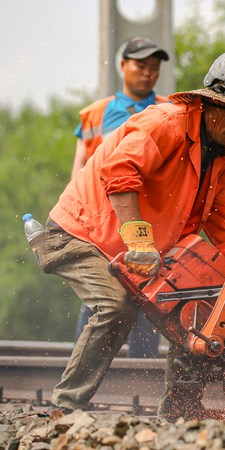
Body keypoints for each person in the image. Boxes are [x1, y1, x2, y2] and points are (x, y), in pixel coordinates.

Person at [31, 49, 225, 418]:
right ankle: (63, 407)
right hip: (79, 234)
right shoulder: (166, 124)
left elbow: (222, 214)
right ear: (221, 104)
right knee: (116, 307)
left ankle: (181, 408)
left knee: (203, 305)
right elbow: (119, 172)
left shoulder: (215, 151)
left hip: (128, 246)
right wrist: (140, 240)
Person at [71, 36, 170, 359]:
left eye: (154, 68)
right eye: (141, 66)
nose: (148, 73)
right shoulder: (95, 115)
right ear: (122, 66)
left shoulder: (168, 109)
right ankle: (85, 374)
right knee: (100, 301)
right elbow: (80, 170)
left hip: (148, 224)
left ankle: (139, 381)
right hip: (102, 227)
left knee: (148, 302)